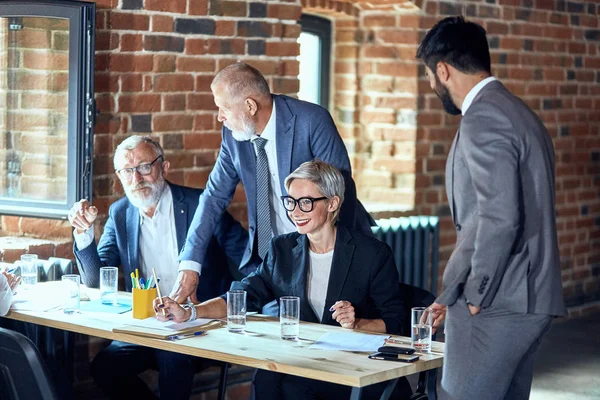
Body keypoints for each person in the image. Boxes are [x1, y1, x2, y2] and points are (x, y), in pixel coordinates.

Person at [155, 160, 411, 400]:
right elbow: (243, 296)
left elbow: (396, 321)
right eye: (291, 202)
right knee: (266, 377)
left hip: (357, 366)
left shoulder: (372, 254)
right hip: (305, 360)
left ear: (332, 203)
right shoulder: (282, 249)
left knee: (289, 386)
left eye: (306, 202)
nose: (296, 212)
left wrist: (358, 323)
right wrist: (189, 312)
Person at [416, 16, 567, 400]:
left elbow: (498, 219)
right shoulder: (520, 113)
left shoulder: (482, 117)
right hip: (532, 298)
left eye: (431, 78)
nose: (433, 87)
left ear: (443, 70)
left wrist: (474, 296)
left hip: (499, 301)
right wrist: (448, 294)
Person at [172, 62, 375, 304]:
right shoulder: (234, 136)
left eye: (223, 108)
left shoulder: (311, 120)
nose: (220, 117)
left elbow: (340, 190)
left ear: (250, 105)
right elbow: (214, 197)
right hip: (273, 260)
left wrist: (331, 260)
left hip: (331, 252)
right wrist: (190, 265)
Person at [68, 135, 248, 400]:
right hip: (148, 326)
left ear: (164, 168)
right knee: (105, 367)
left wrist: (226, 305)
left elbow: (250, 262)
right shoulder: (120, 214)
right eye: (128, 171)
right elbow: (96, 281)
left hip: (198, 321)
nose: (136, 179)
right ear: (120, 177)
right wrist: (83, 233)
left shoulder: (201, 206)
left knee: (173, 361)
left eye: (144, 167)